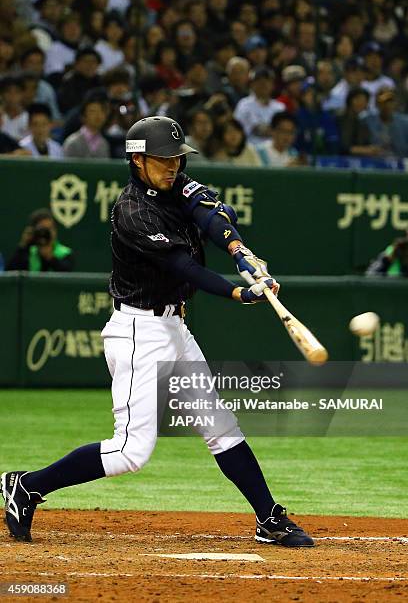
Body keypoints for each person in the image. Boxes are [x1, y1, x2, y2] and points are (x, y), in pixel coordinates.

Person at [1, 116, 314, 549]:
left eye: (177, 158)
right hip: (138, 330)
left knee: (220, 425)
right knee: (131, 451)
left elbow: (209, 214)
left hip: (174, 326)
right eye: (163, 160)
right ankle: (27, 485)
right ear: (138, 159)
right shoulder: (132, 211)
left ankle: (268, 518)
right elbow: (184, 267)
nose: (173, 166)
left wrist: (240, 251)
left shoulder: (176, 184)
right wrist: (240, 293)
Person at [6, 208, 73, 272]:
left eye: (49, 229)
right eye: (42, 229)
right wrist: (23, 245)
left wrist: (50, 257)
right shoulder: (28, 252)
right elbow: (10, 274)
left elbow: (66, 274)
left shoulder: (64, 253)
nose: (45, 233)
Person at [234, 67, 285, 145]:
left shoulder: (279, 107)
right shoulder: (244, 104)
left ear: (272, 85)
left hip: (273, 151)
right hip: (251, 149)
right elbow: (237, 129)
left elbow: (283, 132)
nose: (263, 84)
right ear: (252, 84)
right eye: (259, 81)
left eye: (267, 81)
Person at [363, 88, 408, 157]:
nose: (387, 105)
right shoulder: (367, 120)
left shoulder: (405, 123)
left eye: (390, 102)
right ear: (376, 104)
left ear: (396, 103)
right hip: (375, 162)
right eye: (383, 102)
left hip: (400, 162)